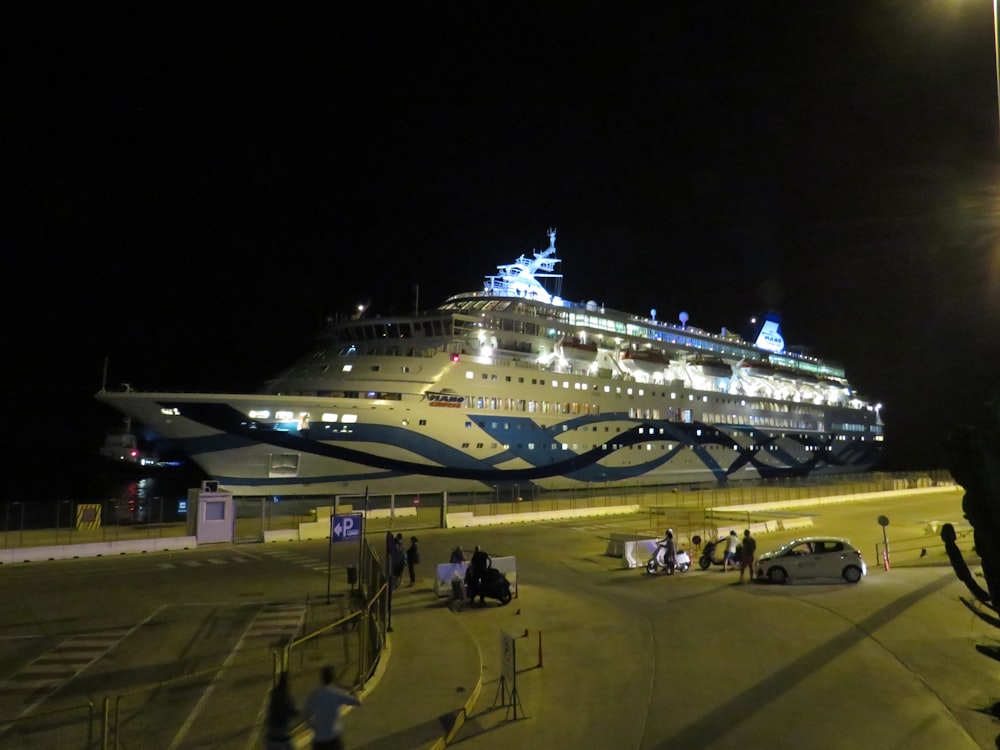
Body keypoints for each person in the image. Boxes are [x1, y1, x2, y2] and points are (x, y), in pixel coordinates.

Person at [305, 665, 361, 750]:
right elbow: (357, 702)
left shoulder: (315, 694)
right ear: (333, 678)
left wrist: (313, 727)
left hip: (319, 739)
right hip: (333, 739)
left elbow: (306, 714)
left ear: (322, 679)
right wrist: (352, 689)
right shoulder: (336, 693)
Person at [265, 671, 297, 750]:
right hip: (282, 737)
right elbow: (292, 712)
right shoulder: (287, 698)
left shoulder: (274, 693)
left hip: (271, 736)